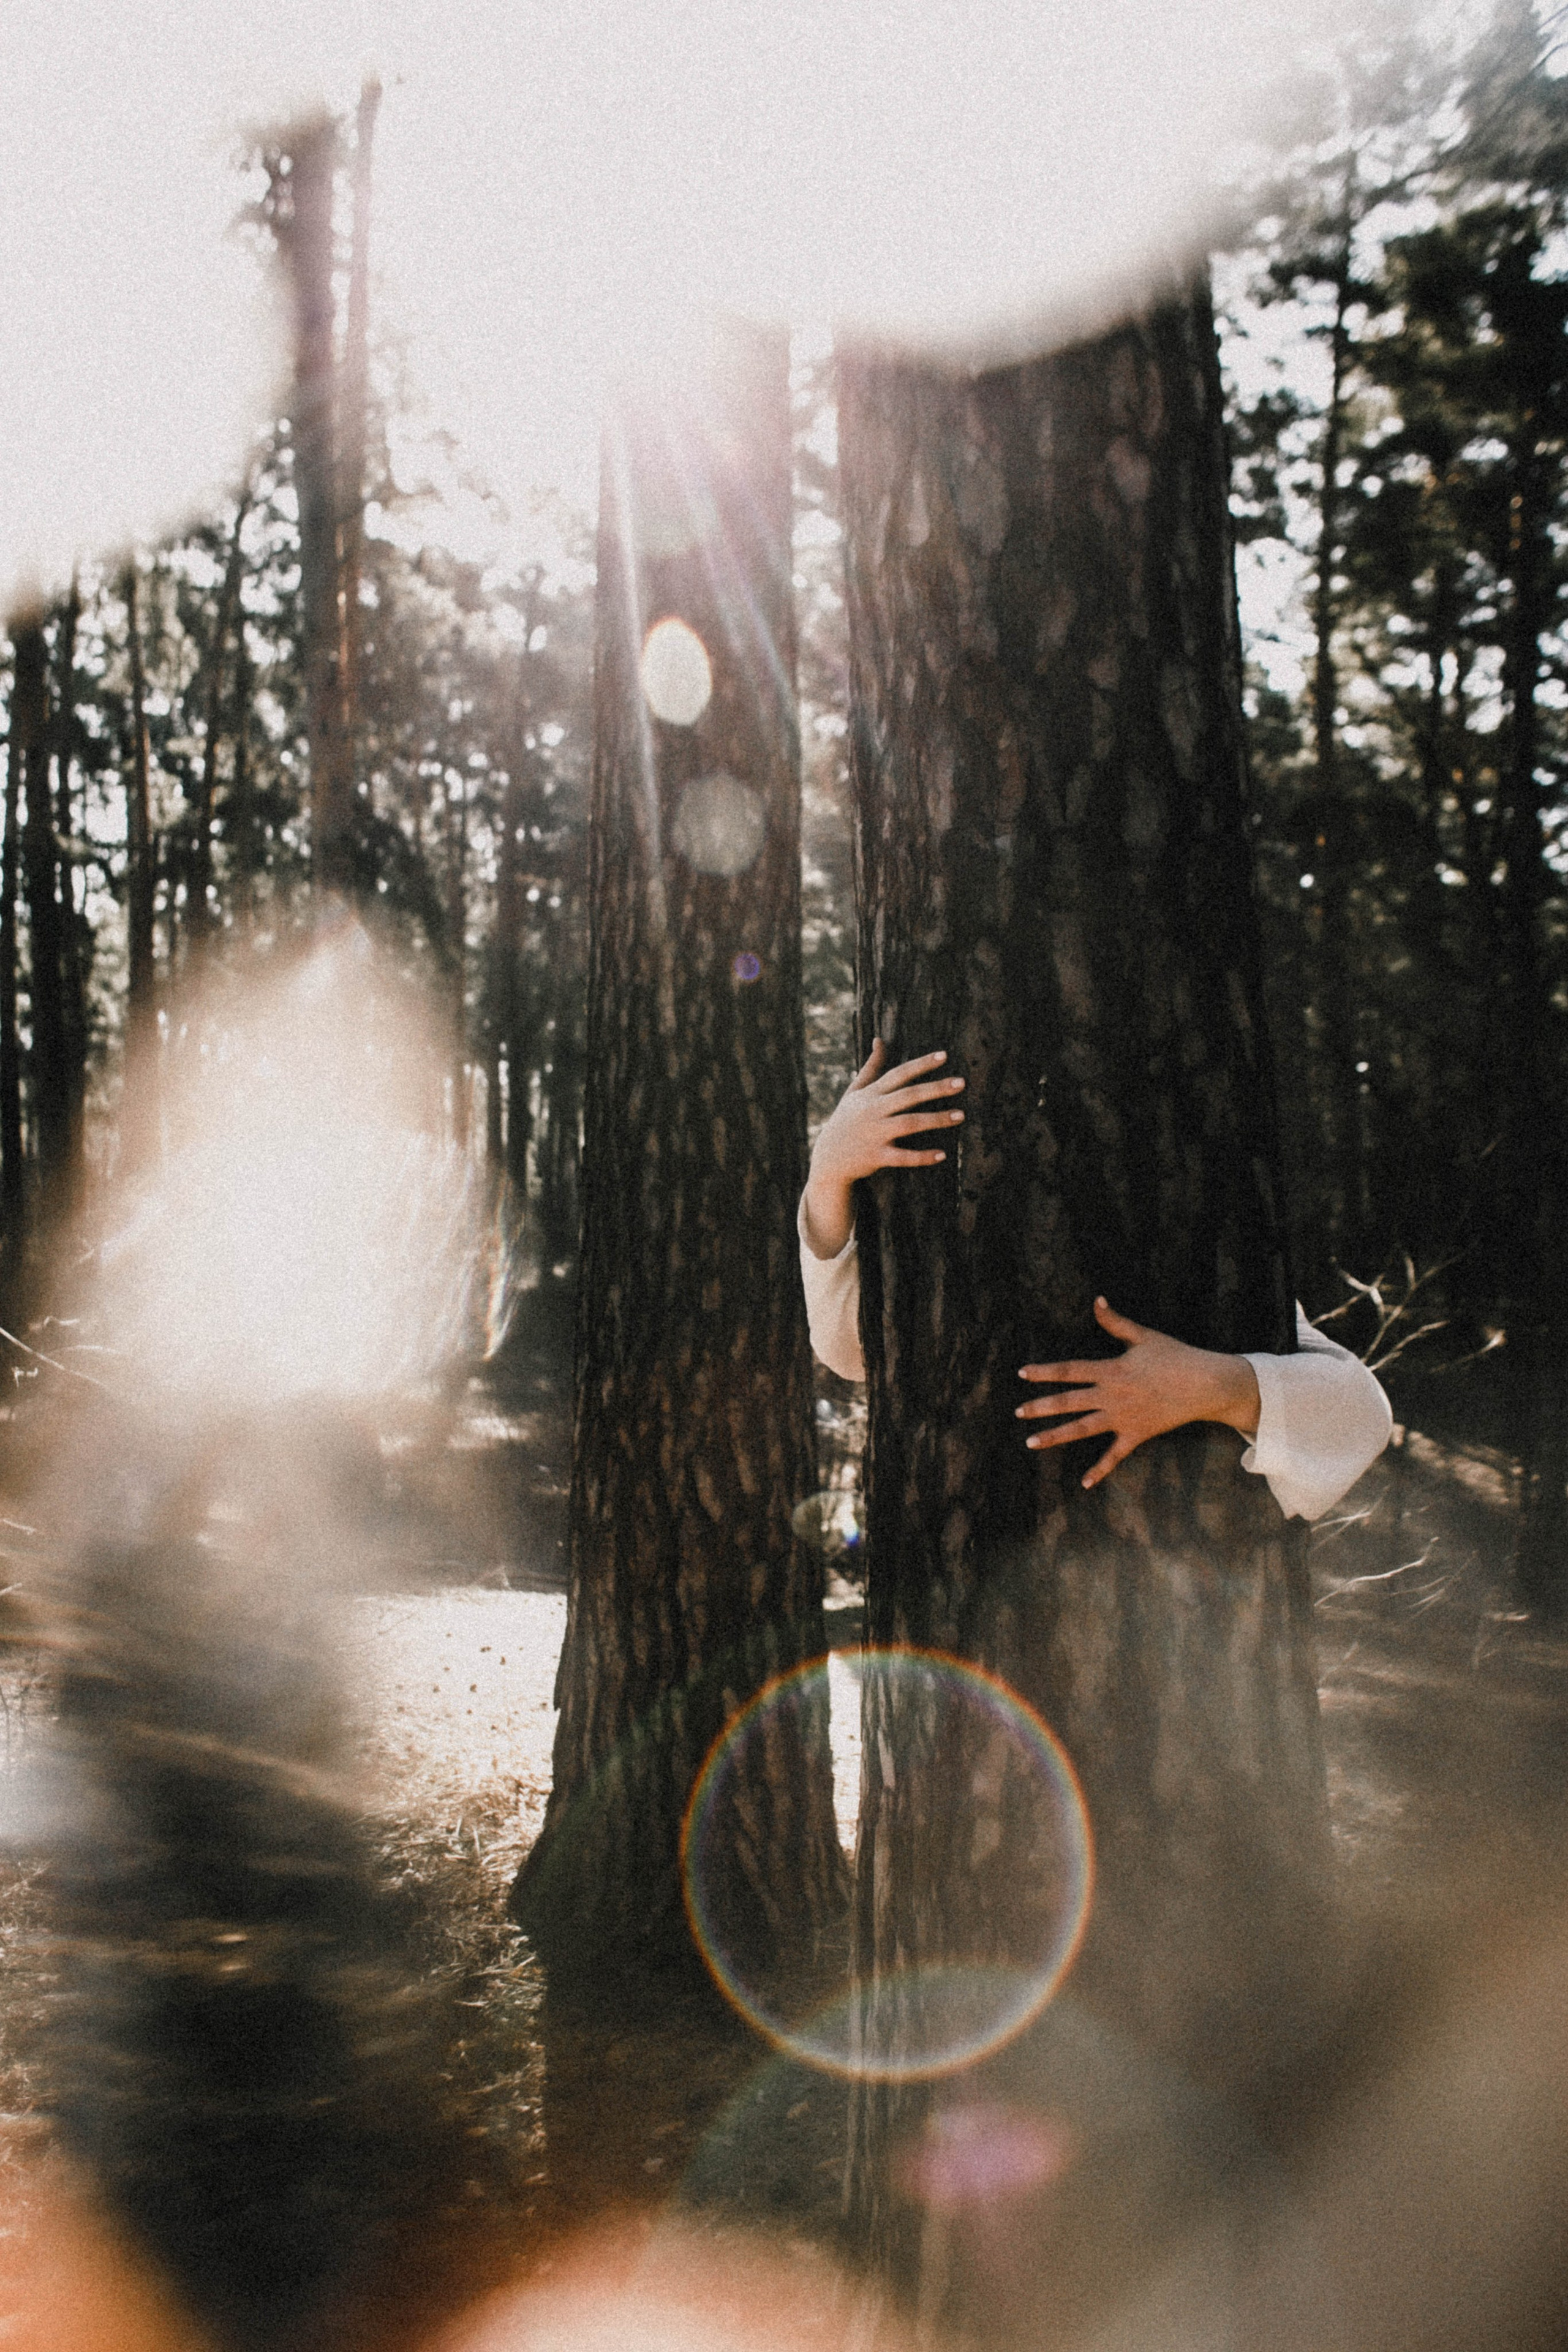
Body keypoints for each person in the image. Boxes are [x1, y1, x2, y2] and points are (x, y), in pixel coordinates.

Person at [801, 1042, 1392, 1523]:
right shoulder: (951, 1248)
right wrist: (829, 1175)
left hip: (1167, 1614)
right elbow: (852, 1349)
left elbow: (1362, 1413)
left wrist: (1215, 1387)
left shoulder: (1192, 1257)